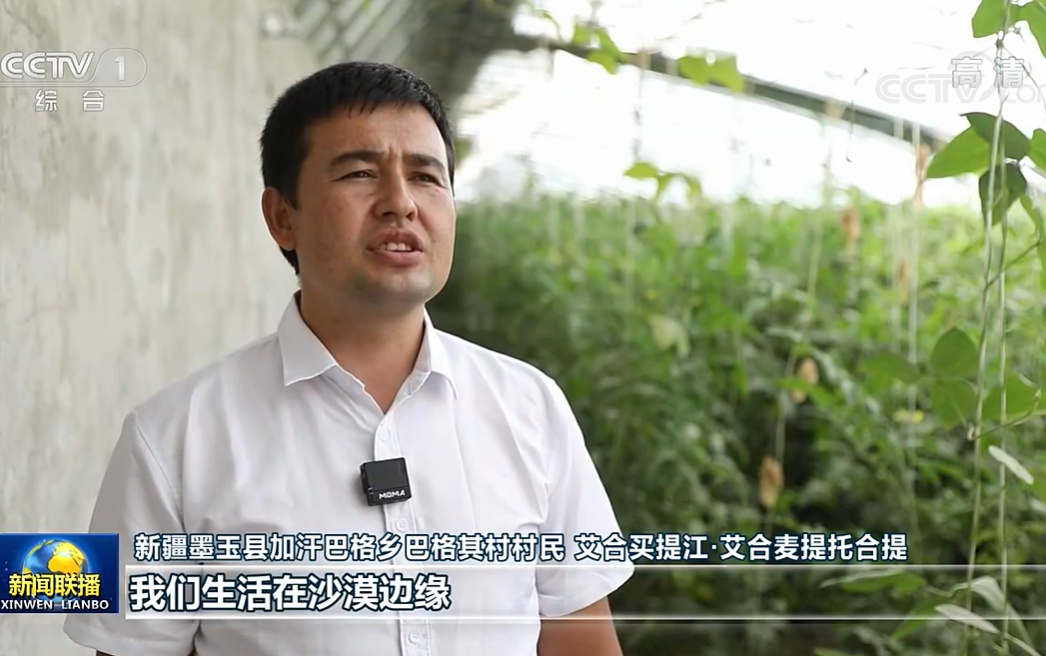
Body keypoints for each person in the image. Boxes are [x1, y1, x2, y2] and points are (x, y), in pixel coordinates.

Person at [64, 61, 633, 656]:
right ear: (282, 217)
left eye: (426, 177)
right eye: (360, 173)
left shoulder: (530, 408)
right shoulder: (173, 440)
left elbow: (581, 642)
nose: (400, 204)